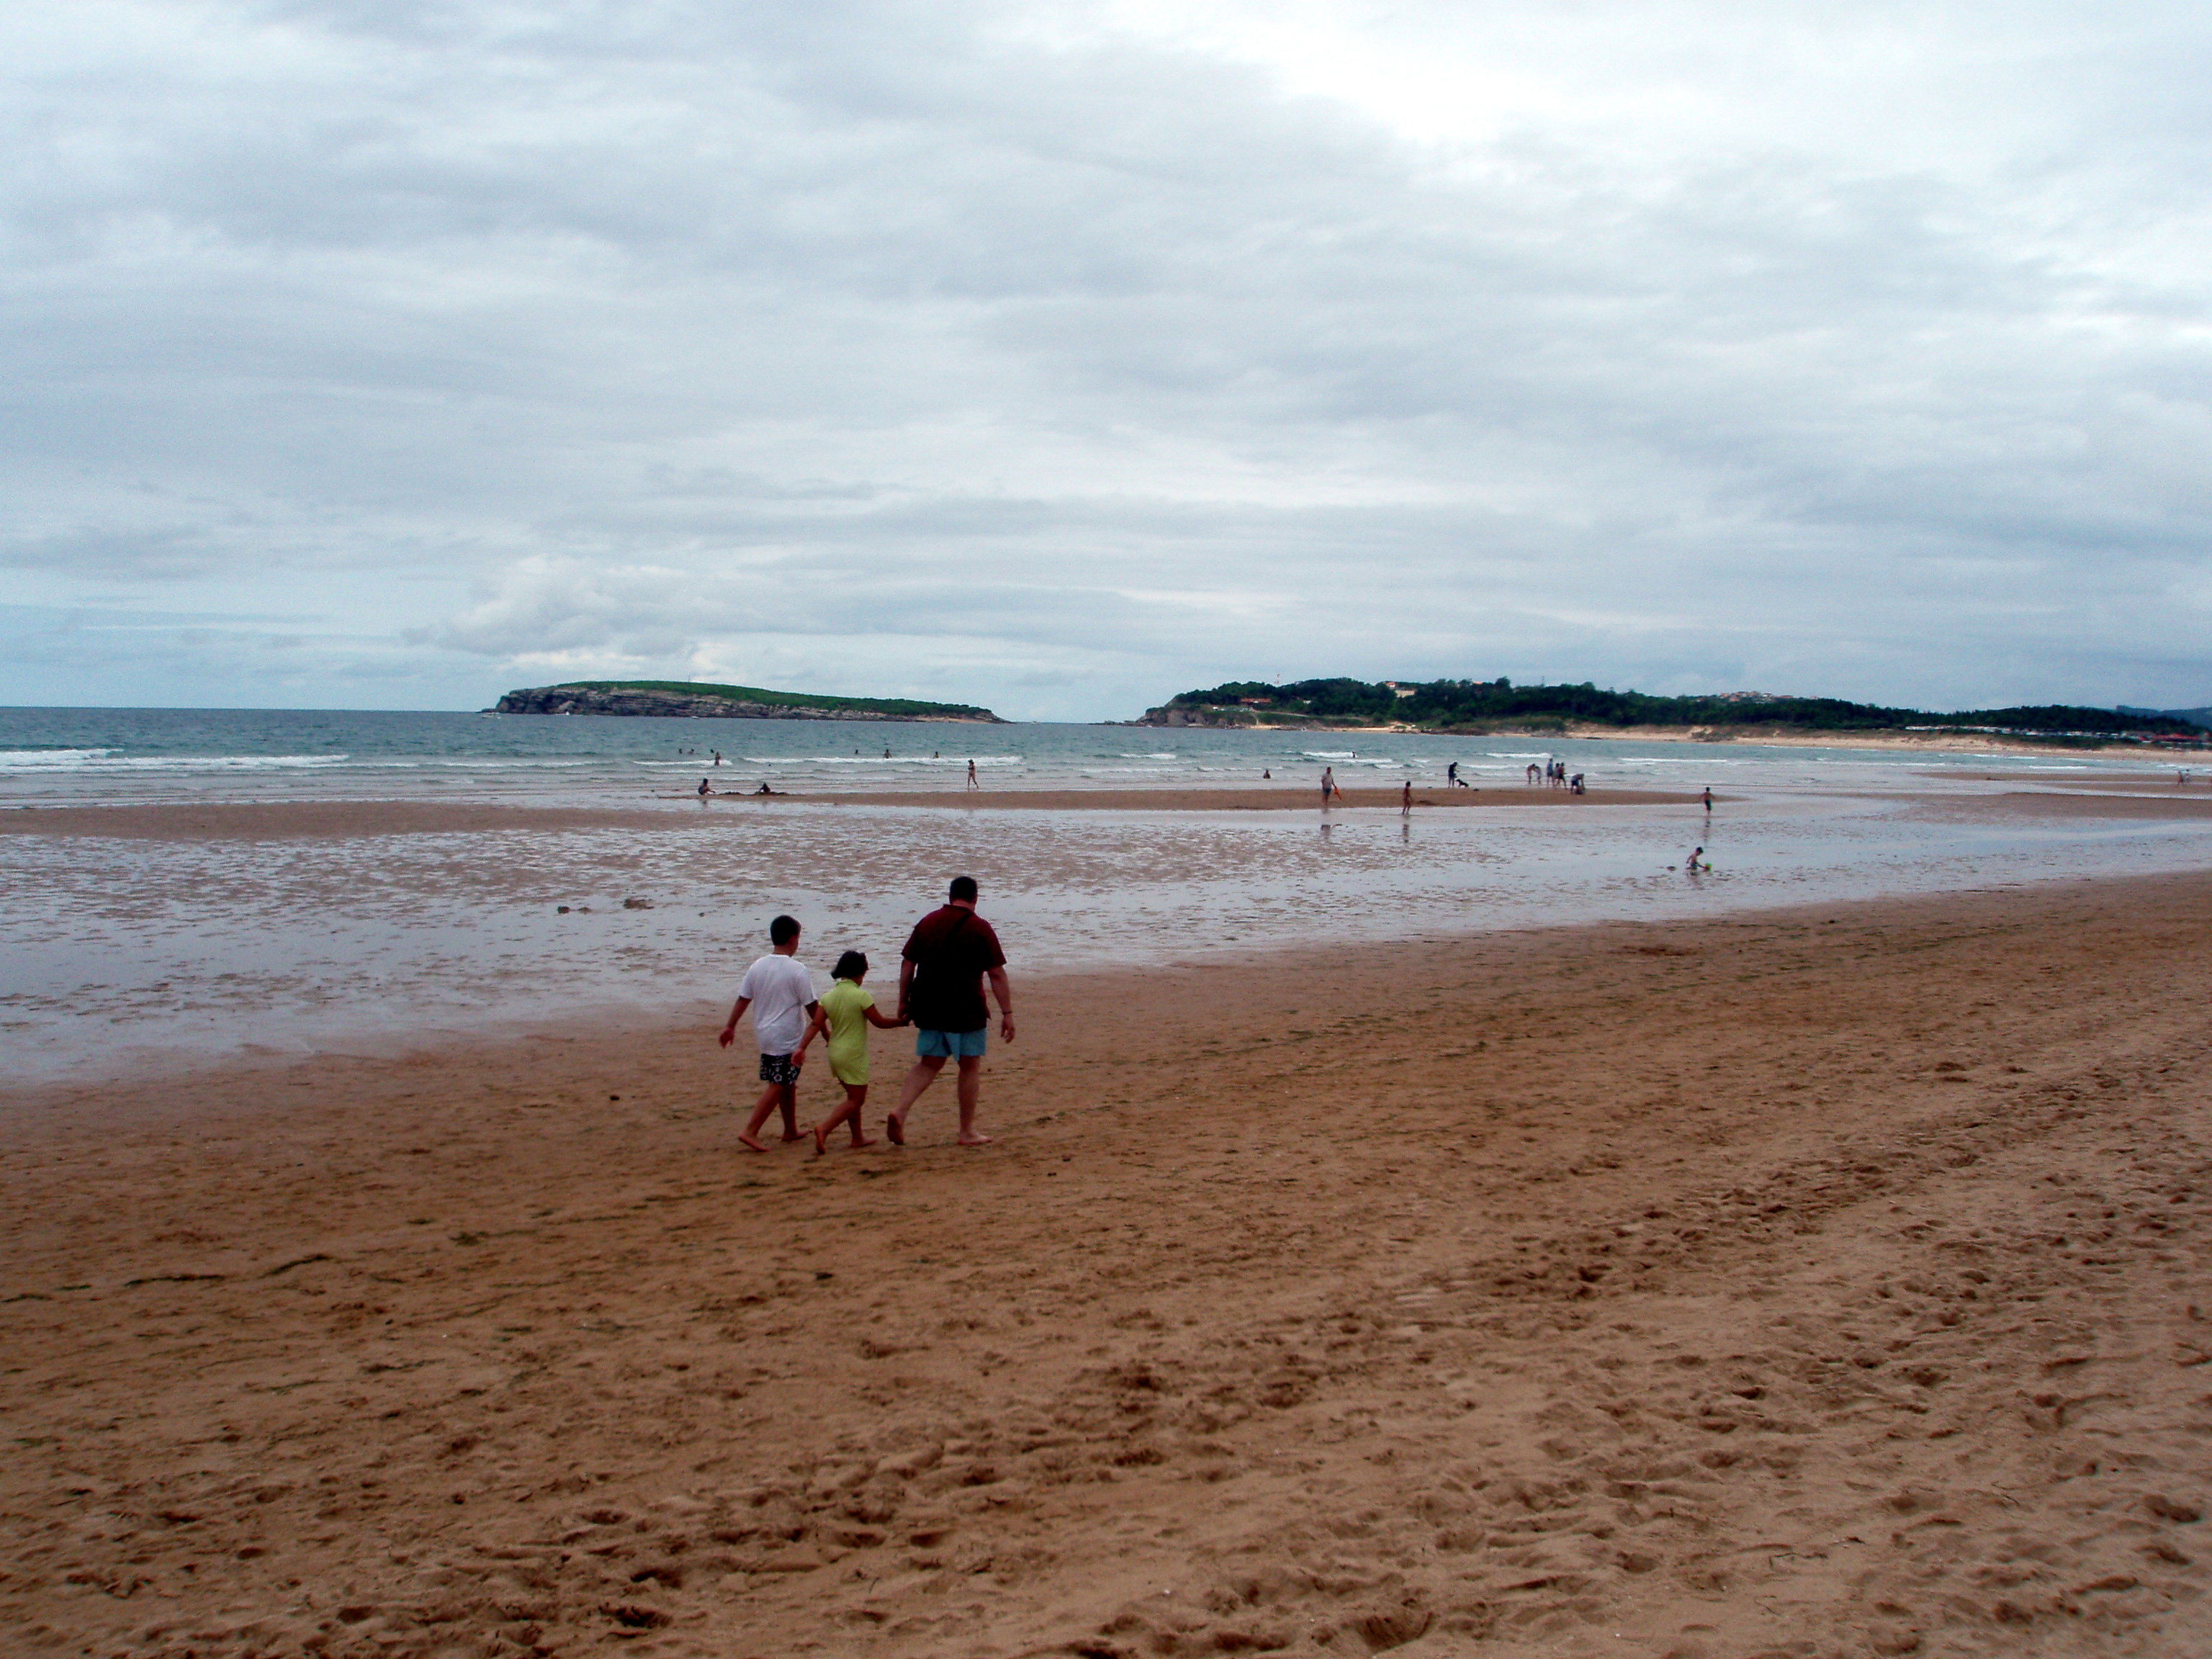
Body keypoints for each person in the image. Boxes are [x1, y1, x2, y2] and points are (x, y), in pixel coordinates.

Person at [888, 876, 1014, 1146]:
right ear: (975, 898)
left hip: (928, 1005)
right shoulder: (980, 928)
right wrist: (1007, 1013)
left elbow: (908, 964)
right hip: (966, 1007)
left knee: (928, 1064)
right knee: (969, 1067)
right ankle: (966, 1131)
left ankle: (900, 1111)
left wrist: (903, 1000)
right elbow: (996, 974)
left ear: (950, 895)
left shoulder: (928, 921)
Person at [717, 914, 819, 1152]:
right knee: (779, 1084)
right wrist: (824, 1029)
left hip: (765, 1034)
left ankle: (790, 1129)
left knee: (787, 1082)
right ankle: (750, 1131)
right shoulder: (798, 970)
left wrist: (730, 1025)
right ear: (794, 939)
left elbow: (743, 998)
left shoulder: (758, 965)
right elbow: (812, 1005)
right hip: (786, 1037)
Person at [793, 950, 908, 1154]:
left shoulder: (829, 997)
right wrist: (900, 1022)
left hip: (835, 1051)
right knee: (857, 1099)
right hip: (853, 1053)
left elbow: (815, 1025)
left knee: (852, 1096)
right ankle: (824, 1129)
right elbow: (879, 1022)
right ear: (859, 973)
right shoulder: (860, 995)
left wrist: (801, 1047)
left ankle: (857, 1137)